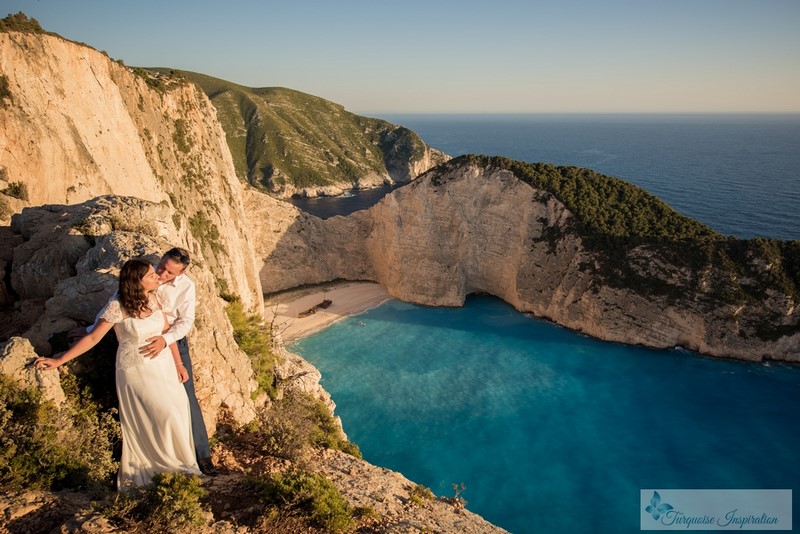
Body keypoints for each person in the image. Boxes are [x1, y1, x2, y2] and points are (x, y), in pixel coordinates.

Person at [35, 259, 200, 490]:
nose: (157, 277)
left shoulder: (154, 298)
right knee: (163, 415)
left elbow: (166, 332)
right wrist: (60, 360)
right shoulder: (118, 306)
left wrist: (179, 363)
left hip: (163, 365)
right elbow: (93, 338)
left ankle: (182, 468)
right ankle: (160, 470)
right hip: (136, 369)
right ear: (137, 281)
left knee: (178, 408)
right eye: (152, 275)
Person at [138, 247, 219, 476]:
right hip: (142, 341)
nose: (162, 274)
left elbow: (185, 322)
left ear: (179, 274)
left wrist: (165, 341)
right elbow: (120, 302)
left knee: (186, 398)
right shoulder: (147, 272)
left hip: (173, 342)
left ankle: (203, 457)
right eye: (162, 267)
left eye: (169, 273)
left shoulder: (186, 287)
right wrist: (90, 328)